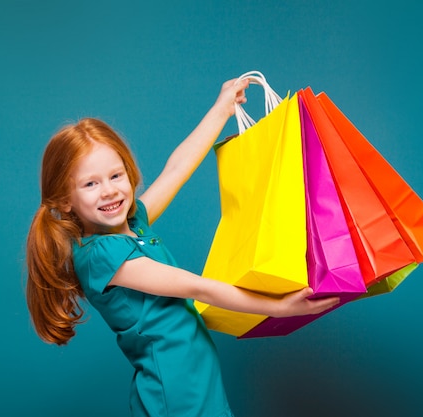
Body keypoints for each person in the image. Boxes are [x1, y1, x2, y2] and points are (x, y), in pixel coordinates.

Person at [25, 77, 340, 417]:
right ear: (65, 200)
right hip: (173, 395)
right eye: (90, 184)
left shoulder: (134, 225)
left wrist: (221, 110)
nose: (109, 191)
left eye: (116, 176)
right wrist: (278, 308)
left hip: (197, 380)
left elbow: (177, 169)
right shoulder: (101, 256)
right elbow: (196, 287)